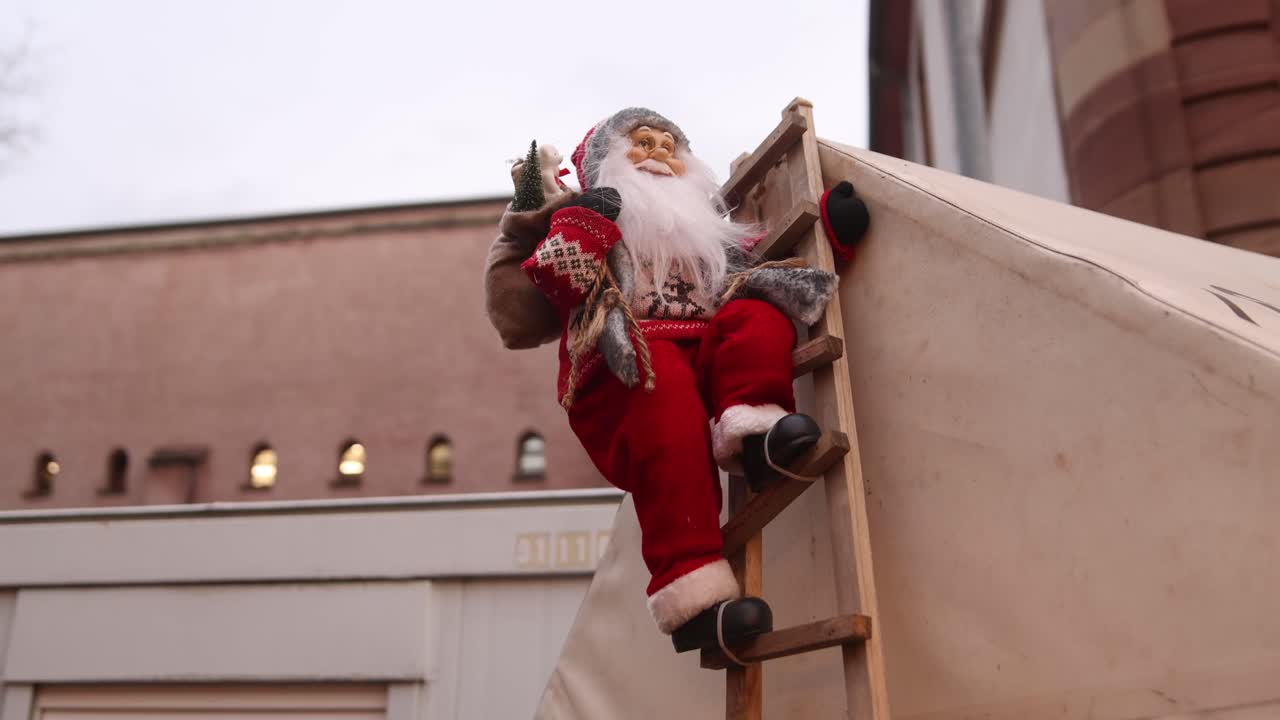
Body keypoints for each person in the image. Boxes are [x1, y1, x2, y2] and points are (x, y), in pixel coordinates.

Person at [484, 107, 867, 653]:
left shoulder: (704, 231)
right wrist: (581, 224)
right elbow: (535, 304)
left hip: (704, 356)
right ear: (606, 160)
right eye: (643, 142)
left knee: (758, 316)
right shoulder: (580, 213)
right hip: (624, 365)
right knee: (663, 398)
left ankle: (756, 432)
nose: (660, 154)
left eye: (670, 144)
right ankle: (694, 596)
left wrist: (828, 227)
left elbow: (769, 261)